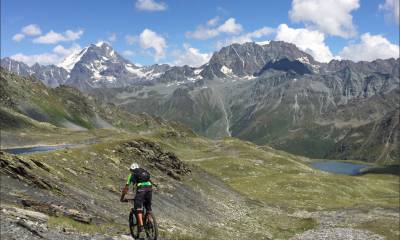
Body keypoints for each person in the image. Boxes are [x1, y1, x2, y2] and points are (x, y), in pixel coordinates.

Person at [120, 163, 153, 238]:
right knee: (148, 208)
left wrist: (122, 198)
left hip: (141, 190)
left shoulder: (132, 174)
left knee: (138, 208)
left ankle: (141, 226)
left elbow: (126, 188)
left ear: (131, 170)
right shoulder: (143, 172)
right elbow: (149, 182)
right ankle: (150, 222)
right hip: (149, 189)